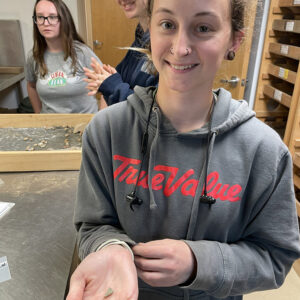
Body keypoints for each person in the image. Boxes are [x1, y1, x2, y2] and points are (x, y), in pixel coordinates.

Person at [67, 0, 300, 299]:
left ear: (234, 41)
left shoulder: (264, 151)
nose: (180, 48)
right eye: (168, 25)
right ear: (148, 29)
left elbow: (275, 257)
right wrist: (112, 248)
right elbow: (92, 225)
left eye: (203, 28)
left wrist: (198, 263)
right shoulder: (106, 131)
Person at [25, 0, 101, 113]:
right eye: (40, 17)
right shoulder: (34, 56)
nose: (46, 23)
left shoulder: (82, 52)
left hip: (85, 125)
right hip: (50, 126)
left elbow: (107, 85)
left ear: (63, 19)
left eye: (52, 17)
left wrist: (101, 119)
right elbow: (31, 86)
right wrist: (39, 116)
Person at [84, 0, 158, 107]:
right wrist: (106, 82)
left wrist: (111, 85)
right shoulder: (140, 37)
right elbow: (117, 79)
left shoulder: (164, 46)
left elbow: (152, 112)